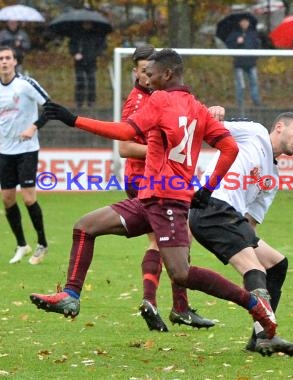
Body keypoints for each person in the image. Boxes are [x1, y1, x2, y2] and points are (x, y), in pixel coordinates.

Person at [30, 49, 285, 349]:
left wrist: (72, 119)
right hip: (152, 198)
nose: (145, 80)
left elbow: (125, 132)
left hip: (166, 201)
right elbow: (228, 147)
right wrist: (207, 187)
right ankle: (71, 296)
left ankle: (253, 303)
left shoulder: (160, 100)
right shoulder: (198, 108)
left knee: (181, 273)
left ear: (167, 74)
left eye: (150, 75)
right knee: (85, 226)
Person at [190, 111, 293, 356]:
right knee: (254, 269)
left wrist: (244, 242)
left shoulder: (272, 177)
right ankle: (268, 334)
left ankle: (259, 338)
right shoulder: (254, 132)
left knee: (276, 264)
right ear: (279, 127)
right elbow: (208, 128)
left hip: (230, 219)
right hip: (212, 206)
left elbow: (250, 223)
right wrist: (212, 114)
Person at [118, 45, 214, 332]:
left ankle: (169, 305)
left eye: (153, 70)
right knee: (170, 241)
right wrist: (161, 151)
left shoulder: (161, 98)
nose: (149, 76)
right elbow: (124, 147)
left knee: (169, 241)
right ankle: (171, 306)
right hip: (147, 179)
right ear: (135, 71)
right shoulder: (137, 102)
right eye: (144, 71)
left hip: (157, 178)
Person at [0, 46, 50, 265]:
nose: (4, 62)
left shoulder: (26, 84)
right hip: (5, 150)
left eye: (7, 58)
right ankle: (22, 245)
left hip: (27, 149)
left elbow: (50, 107)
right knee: (7, 199)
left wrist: (34, 127)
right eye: (0, 58)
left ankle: (42, 243)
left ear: (14, 62)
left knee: (29, 198)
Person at [225, 16, 262, 112]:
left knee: (254, 83)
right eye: (243, 22)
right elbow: (229, 46)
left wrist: (255, 58)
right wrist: (237, 42)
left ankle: (256, 102)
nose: (245, 23)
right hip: (239, 63)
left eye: (246, 22)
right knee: (240, 85)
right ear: (240, 23)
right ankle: (240, 104)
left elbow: (258, 46)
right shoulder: (234, 34)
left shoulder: (253, 34)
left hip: (251, 63)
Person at [69, 22, 107, 111]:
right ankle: (79, 101)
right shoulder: (76, 34)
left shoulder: (96, 34)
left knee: (91, 81)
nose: (86, 25)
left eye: (88, 23)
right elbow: (72, 45)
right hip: (79, 62)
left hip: (91, 61)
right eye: (85, 23)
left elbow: (101, 46)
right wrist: (75, 53)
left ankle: (91, 101)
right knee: (80, 81)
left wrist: (95, 54)